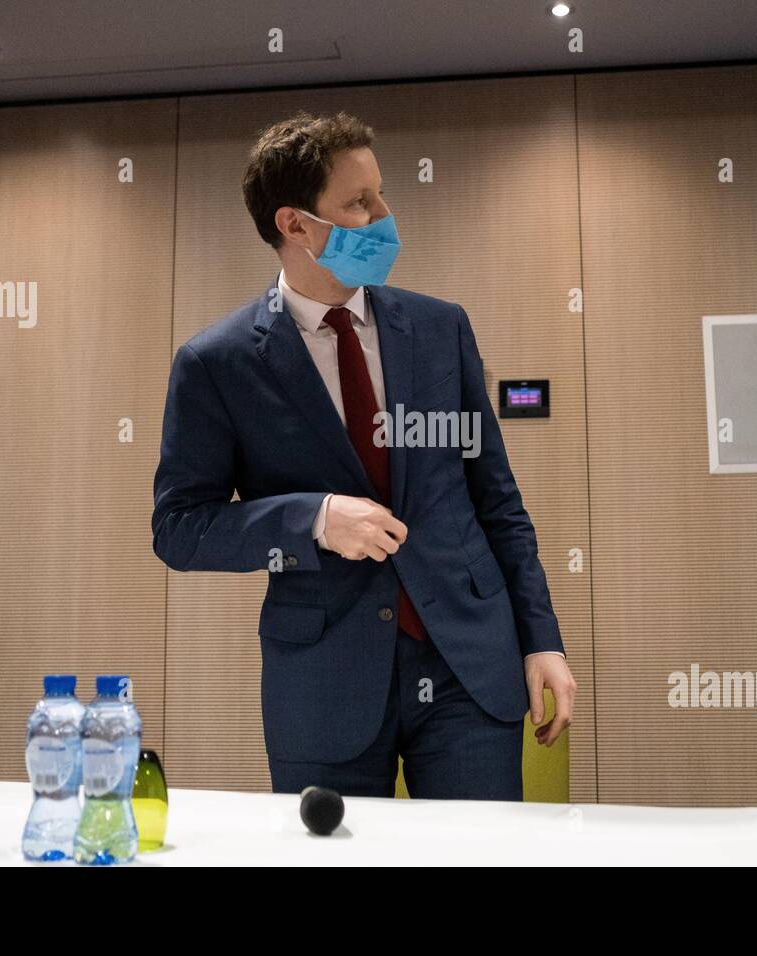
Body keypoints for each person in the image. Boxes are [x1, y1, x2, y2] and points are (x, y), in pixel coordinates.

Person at [152, 110, 574, 799]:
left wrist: (542, 638)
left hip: (467, 661)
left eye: (378, 193)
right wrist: (312, 519)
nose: (384, 214)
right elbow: (178, 529)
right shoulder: (217, 363)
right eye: (358, 202)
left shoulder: (442, 330)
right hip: (323, 683)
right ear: (295, 225)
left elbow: (495, 499)